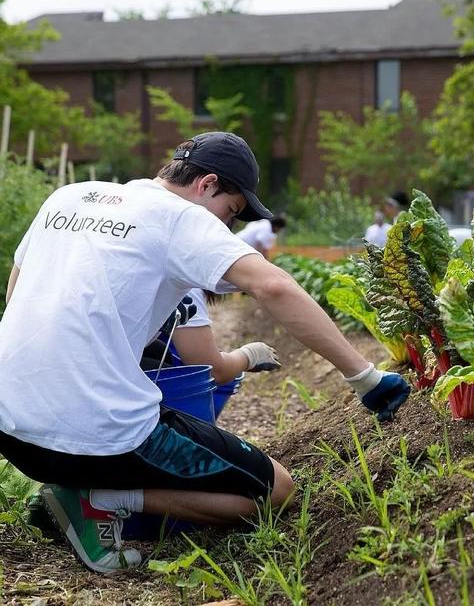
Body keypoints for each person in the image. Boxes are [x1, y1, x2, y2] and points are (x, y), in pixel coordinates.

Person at [0, 131, 410, 574]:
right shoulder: (179, 218)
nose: (226, 229)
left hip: (11, 427)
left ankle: (78, 487)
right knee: (277, 492)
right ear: (207, 184)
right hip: (95, 438)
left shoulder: (69, 197)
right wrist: (364, 377)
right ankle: (96, 499)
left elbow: (15, 294)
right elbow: (272, 285)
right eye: (230, 213)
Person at [142, 287, 281, 380]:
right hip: (120, 374)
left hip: (121, 358)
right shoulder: (185, 290)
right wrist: (250, 355)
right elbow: (212, 371)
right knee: (176, 380)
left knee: (158, 351)